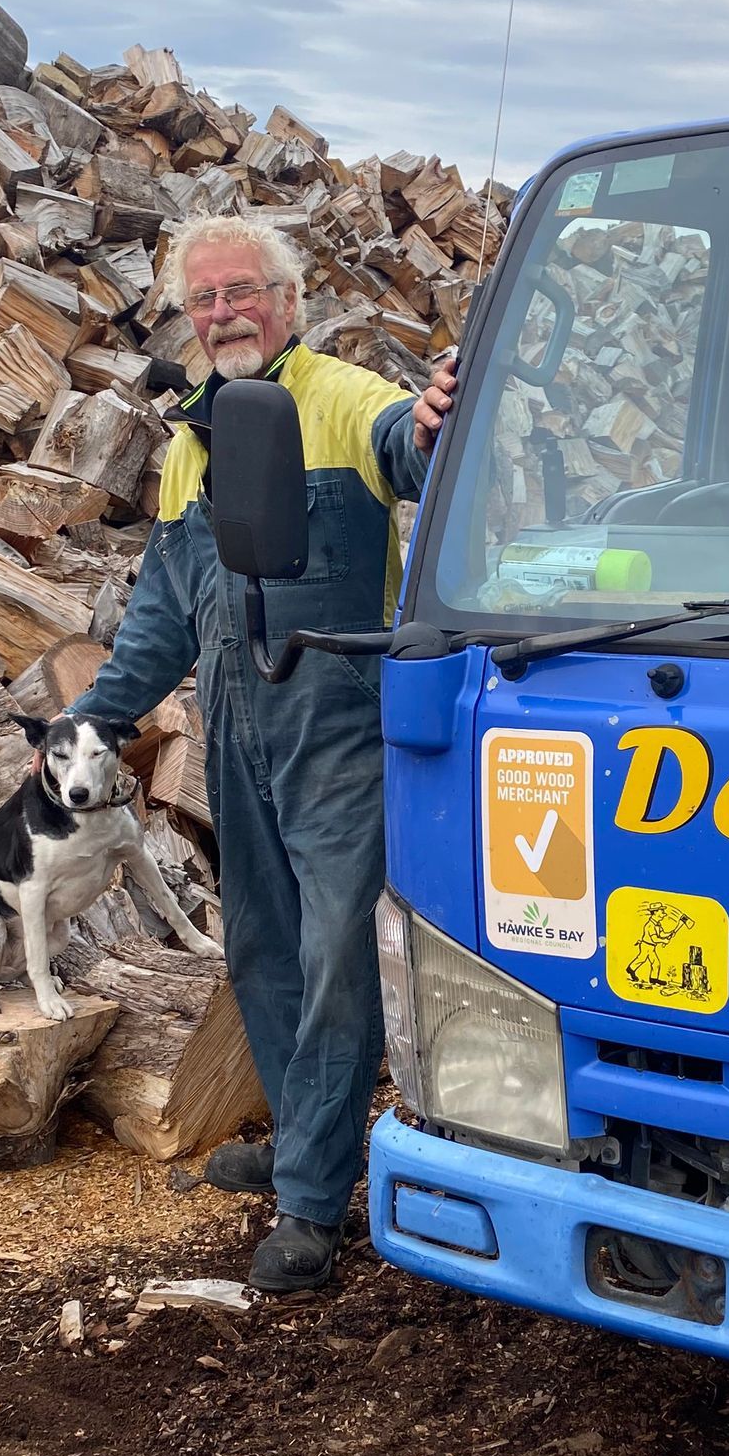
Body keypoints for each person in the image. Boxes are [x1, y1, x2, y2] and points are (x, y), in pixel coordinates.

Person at [73, 214, 454, 1292]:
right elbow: (161, 611)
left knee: (337, 956)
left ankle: (312, 1202)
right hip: (232, 723)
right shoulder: (190, 443)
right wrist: (98, 715)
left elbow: (405, 444)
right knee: (264, 950)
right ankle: (304, 1146)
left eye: (244, 291)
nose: (226, 312)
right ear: (188, 319)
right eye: (206, 299)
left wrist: (429, 425)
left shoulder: (340, 396)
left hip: (335, 716)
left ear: (287, 300)